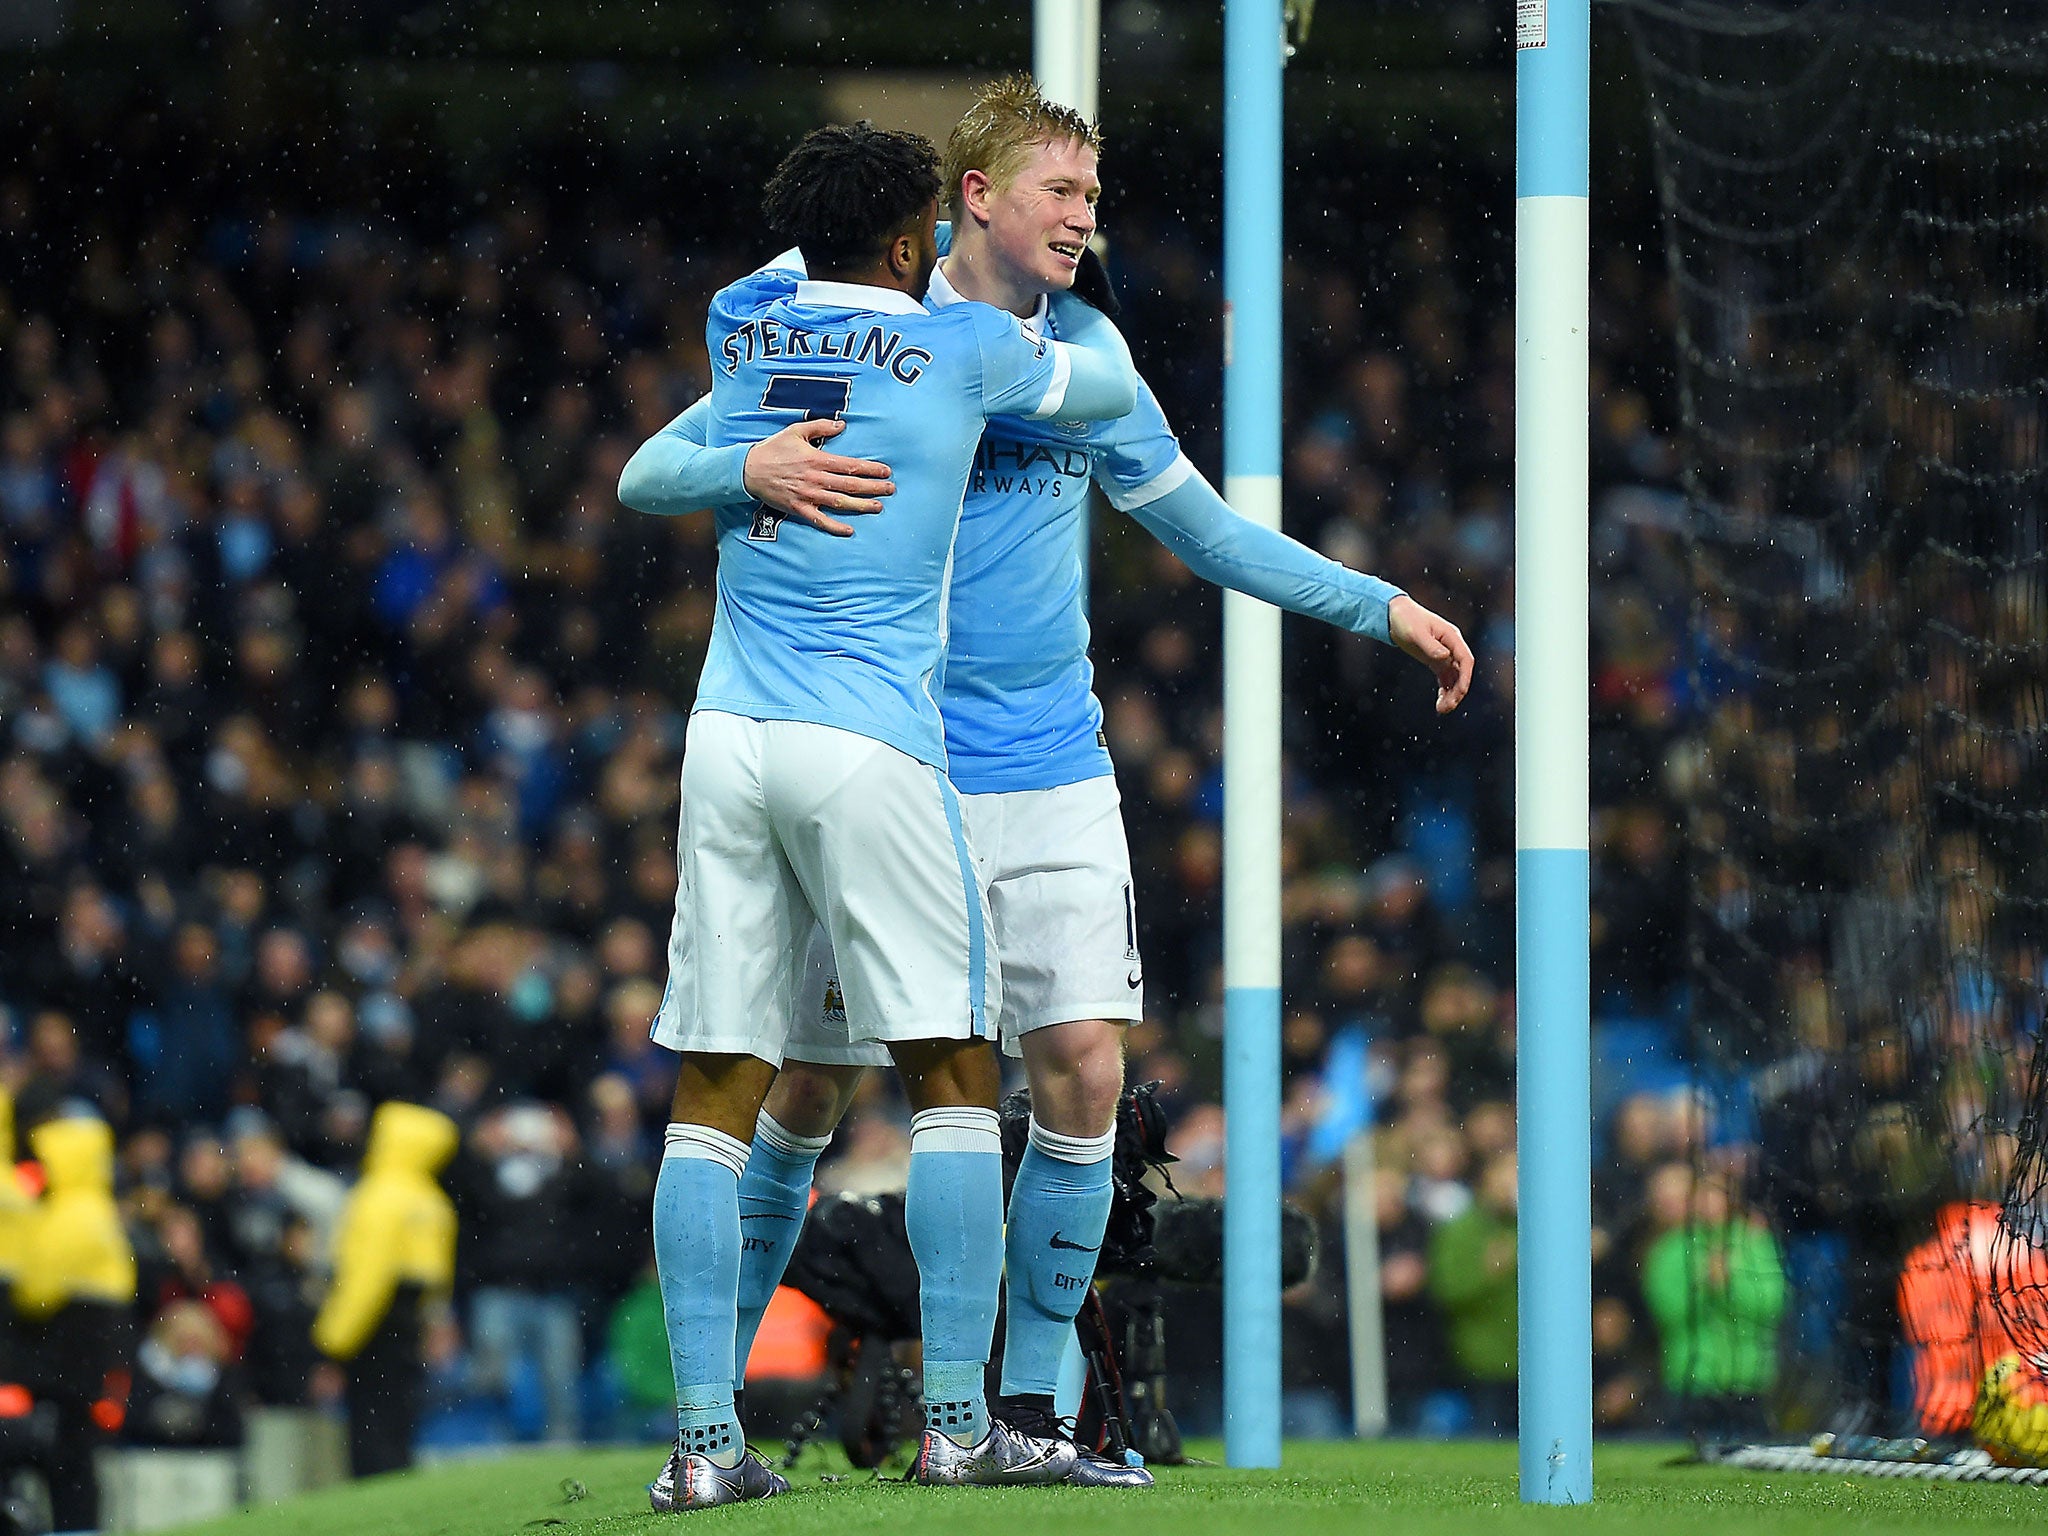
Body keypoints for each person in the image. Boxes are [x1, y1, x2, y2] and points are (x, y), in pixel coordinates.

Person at [621, 76, 1473, 1486]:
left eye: (1092, 195)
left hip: (1038, 762)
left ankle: (1016, 1413)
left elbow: (1205, 530)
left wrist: (1368, 602)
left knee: (1079, 1068)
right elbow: (748, 374)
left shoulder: (1059, 341)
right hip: (896, 754)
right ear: (967, 202)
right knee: (822, 1090)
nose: (1086, 218)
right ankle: (754, 1410)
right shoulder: (915, 329)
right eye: (1060, 194)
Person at [617, 119, 1139, 1511]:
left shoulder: (745, 329)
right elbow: (1093, 397)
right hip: (871, 744)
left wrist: (749, 466)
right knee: (956, 1076)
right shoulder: (965, 346)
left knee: (717, 1087)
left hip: (727, 738)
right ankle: (965, 1420)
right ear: (916, 240)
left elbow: (641, 476)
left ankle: (700, 1451)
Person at [311, 1101, 459, 1477]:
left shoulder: (377, 1198)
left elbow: (365, 1279)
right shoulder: (432, 1201)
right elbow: (438, 1280)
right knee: (399, 1416)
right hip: (411, 1319)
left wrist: (333, 1340)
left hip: (375, 1324)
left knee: (369, 1422)